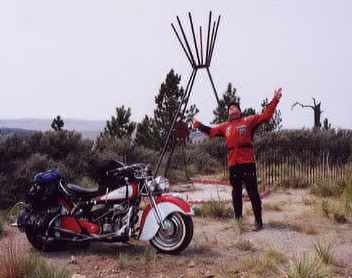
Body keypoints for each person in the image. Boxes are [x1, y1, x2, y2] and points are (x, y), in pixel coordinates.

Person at [193, 88, 283, 231]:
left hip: (247, 163)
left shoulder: (248, 120)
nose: (231, 109)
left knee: (253, 192)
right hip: (233, 164)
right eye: (229, 108)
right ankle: (238, 221)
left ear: (239, 110)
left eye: (234, 107)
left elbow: (266, 115)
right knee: (236, 193)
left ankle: (258, 222)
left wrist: (275, 99)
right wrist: (199, 126)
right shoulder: (225, 126)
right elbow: (211, 131)